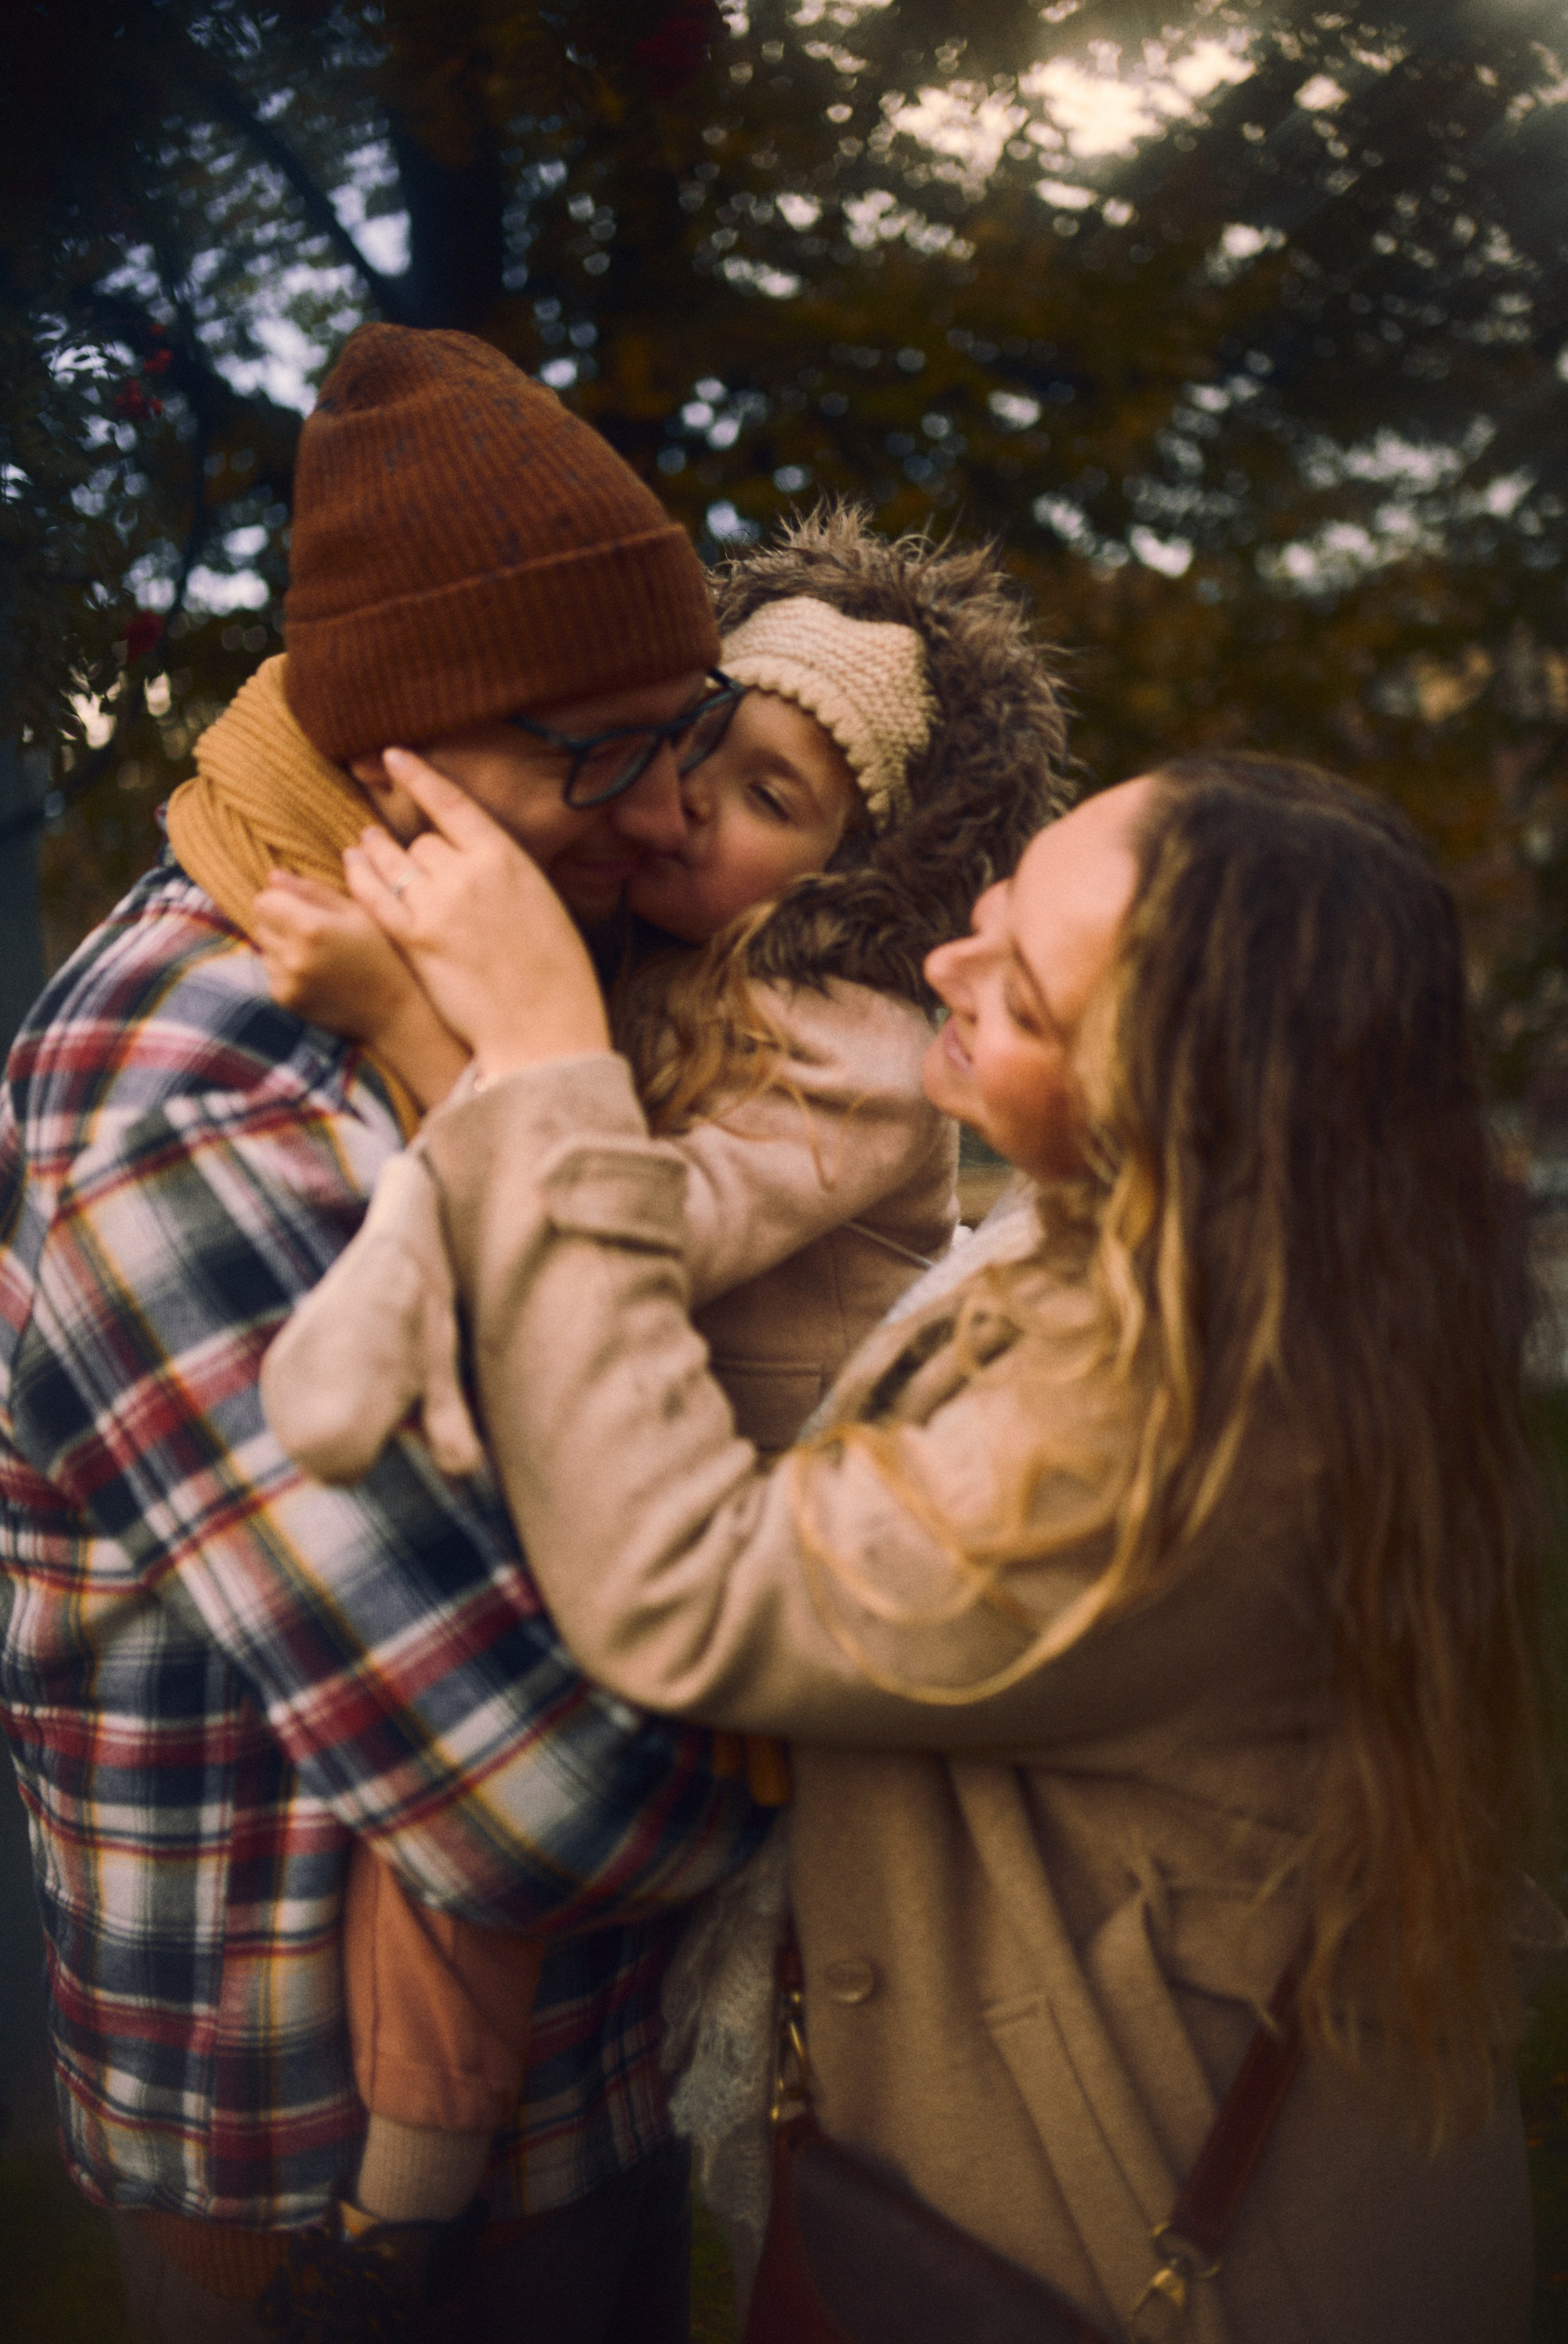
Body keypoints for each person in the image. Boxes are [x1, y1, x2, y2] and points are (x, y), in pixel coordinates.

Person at [337, 746, 1554, 2341]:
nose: (943, 964)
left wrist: (551, 1056)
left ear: (1189, 1106)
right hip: (1014, 2195)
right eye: (994, 908)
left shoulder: (1198, 1434)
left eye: (1033, 1001)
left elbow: (686, 1594)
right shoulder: (1245, 1247)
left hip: (1126, 2255)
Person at [0, 320, 777, 2344]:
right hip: (318, 2210)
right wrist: (835, 1713)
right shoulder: (204, 1084)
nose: (660, 812)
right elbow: (541, 1798)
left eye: (681, 730)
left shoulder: (518, 971)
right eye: (590, 755)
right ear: (388, 763)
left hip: (569, 2122)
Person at [252, 502, 1071, 2270]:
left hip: (755, 1546)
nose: (690, 804)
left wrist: (417, 1021)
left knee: (470, 1832)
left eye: (772, 800)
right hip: (600, 1454)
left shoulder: (852, 1055)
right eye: (702, 751)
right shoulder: (657, 966)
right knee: (419, 1807)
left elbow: (635, 1225)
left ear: (864, 875)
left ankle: (401, 2211)